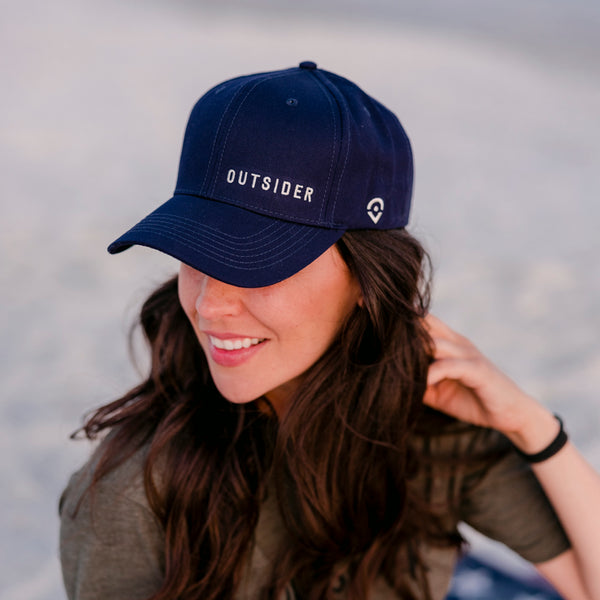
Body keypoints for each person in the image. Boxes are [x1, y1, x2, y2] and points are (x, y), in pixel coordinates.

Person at [59, 61, 600, 600]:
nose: (208, 305)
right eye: (196, 251)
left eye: (256, 262)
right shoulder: (132, 499)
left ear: (368, 280)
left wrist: (530, 425)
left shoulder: (430, 424)